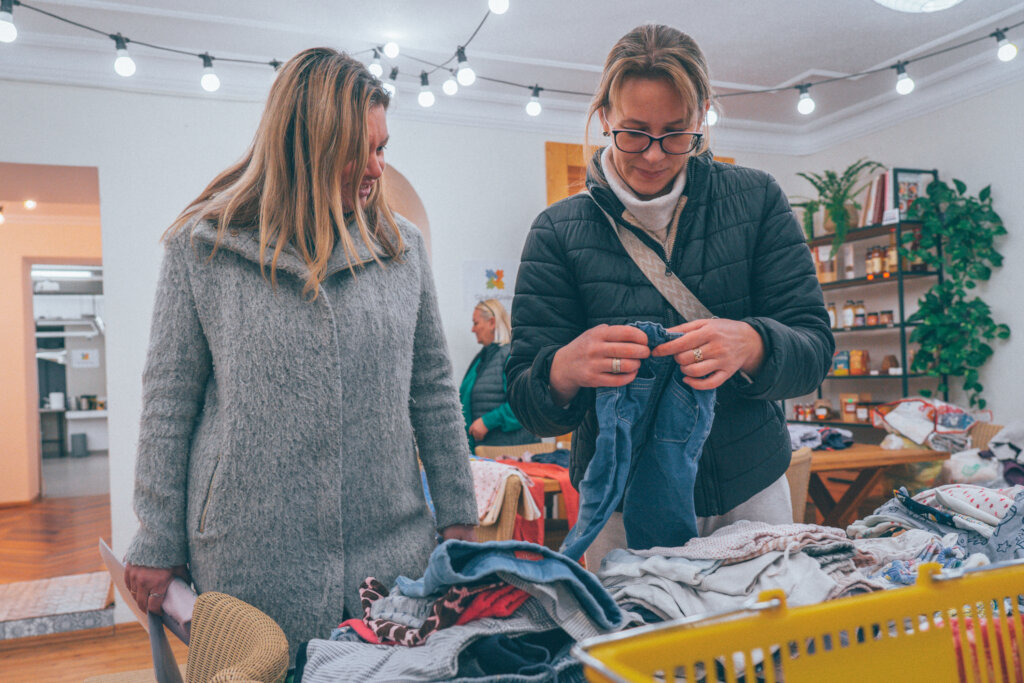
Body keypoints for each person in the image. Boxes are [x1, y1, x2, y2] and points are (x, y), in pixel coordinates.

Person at [123, 47, 477, 662]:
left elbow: (434, 391)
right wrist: (156, 538)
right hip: (248, 562)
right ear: (307, 146)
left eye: (383, 147)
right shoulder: (202, 248)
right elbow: (168, 403)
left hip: (390, 560)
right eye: (360, 150)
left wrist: (459, 519)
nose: (378, 168)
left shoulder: (403, 249)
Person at [507, 25, 834, 564]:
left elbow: (815, 351)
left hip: (749, 489)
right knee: (635, 621)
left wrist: (752, 344)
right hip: (619, 502)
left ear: (701, 116)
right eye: (634, 132)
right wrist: (564, 369)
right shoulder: (557, 232)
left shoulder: (757, 200)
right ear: (605, 116)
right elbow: (525, 397)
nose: (655, 155)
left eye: (676, 133)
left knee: (762, 622)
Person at [460, 299, 537, 449]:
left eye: (476, 323)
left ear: (492, 323)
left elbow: (524, 403)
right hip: (486, 449)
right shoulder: (482, 358)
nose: (472, 329)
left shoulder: (510, 356)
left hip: (509, 451)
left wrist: (487, 421)